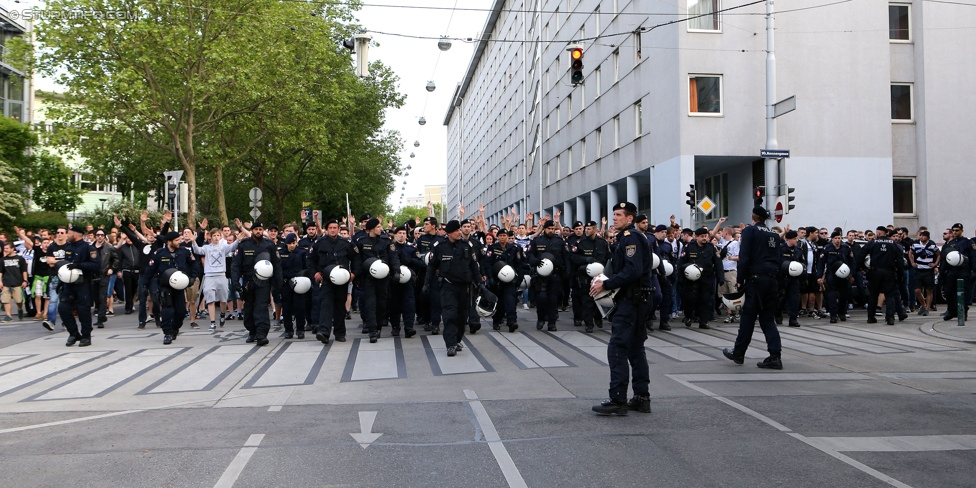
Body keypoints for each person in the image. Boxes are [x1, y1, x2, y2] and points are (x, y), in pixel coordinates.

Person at [590, 202, 652, 416]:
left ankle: (618, 399)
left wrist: (605, 284)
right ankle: (641, 397)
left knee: (617, 348)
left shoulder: (630, 238)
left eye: (619, 215)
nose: (614, 218)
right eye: (614, 214)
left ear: (630, 218)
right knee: (636, 349)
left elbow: (632, 270)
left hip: (631, 301)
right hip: (638, 300)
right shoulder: (633, 237)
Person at [722, 206, 784, 370]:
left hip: (755, 280)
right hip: (772, 280)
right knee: (767, 318)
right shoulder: (774, 235)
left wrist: (740, 279)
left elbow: (744, 257)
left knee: (748, 317)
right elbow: (778, 258)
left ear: (753, 217)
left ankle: (739, 352)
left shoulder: (750, 232)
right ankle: (775, 355)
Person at [424, 220, 480, 357]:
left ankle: (457, 340)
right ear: (449, 233)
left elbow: (474, 266)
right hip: (448, 286)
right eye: (456, 231)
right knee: (449, 315)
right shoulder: (440, 247)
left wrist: (479, 283)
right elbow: (432, 266)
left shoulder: (467, 246)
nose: (459, 232)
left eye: (459, 230)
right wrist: (427, 283)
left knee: (462, 317)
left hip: (464, 287)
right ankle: (450, 344)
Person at [232, 222, 283, 346]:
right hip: (248, 281)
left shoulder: (269, 245)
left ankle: (261, 334)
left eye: (260, 229)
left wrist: (278, 283)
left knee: (261, 307)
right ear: (252, 230)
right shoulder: (244, 245)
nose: (258, 231)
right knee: (249, 308)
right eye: (256, 229)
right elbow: (235, 265)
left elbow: (276, 265)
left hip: (264, 282)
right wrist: (235, 282)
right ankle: (252, 331)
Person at [192, 219, 245, 329]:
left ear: (220, 237)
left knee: (223, 299)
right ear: (211, 237)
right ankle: (212, 321)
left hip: (221, 275)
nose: (216, 237)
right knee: (210, 299)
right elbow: (197, 250)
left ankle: (222, 314)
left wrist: (238, 240)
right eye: (214, 235)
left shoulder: (223, 247)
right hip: (210, 276)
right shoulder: (207, 248)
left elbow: (232, 247)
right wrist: (193, 241)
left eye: (218, 235)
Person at [353, 218, 400, 343]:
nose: (381, 228)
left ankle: (378, 326)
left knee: (381, 304)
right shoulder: (362, 242)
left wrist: (396, 271)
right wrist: (356, 275)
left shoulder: (386, 241)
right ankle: (372, 330)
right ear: (372, 228)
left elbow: (393, 257)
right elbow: (357, 260)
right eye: (378, 226)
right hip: (368, 278)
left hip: (383, 278)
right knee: (370, 304)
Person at [145, 231, 196, 344]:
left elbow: (194, 264)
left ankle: (175, 328)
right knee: (168, 311)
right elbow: (150, 269)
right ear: (169, 242)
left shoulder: (184, 252)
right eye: (177, 240)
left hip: (179, 287)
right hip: (165, 287)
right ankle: (167, 333)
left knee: (181, 311)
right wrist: (145, 284)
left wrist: (191, 278)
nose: (179, 242)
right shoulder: (159, 253)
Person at [59, 226, 100, 347]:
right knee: (63, 308)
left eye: (69, 233)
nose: (67, 235)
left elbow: (96, 265)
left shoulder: (88, 248)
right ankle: (73, 333)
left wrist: (79, 265)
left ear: (76, 235)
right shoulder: (68, 247)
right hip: (69, 284)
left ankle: (86, 336)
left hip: (83, 284)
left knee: (83, 311)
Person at [858, 226, 906, 325]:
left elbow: (861, 254)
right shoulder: (893, 244)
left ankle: (871, 317)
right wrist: (900, 274)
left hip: (875, 272)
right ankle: (890, 318)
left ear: (879, 233)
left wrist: (862, 267)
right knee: (890, 295)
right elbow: (900, 260)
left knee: (873, 295)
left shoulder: (872, 243)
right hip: (889, 272)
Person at [569, 221, 610, 333]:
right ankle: (589, 324)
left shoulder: (602, 243)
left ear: (595, 230)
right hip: (585, 275)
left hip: (600, 276)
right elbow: (573, 257)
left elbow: (608, 257)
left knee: (599, 297)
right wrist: (585, 260)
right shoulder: (580, 243)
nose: (586, 231)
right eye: (585, 229)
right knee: (587, 300)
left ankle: (597, 317)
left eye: (589, 229)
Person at [528, 219, 569, 331]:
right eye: (549, 229)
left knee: (553, 300)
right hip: (541, 276)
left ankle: (552, 322)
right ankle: (541, 318)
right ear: (545, 229)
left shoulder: (560, 241)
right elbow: (530, 255)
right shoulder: (537, 241)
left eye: (552, 229)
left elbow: (566, 258)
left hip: (555, 275)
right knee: (541, 298)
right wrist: (535, 262)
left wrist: (566, 273)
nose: (551, 230)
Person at [678, 228, 721, 329]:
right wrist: (680, 276)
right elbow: (682, 262)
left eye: (705, 236)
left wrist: (721, 277)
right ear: (696, 237)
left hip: (706, 278)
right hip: (692, 279)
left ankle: (703, 321)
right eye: (702, 236)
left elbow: (718, 263)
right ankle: (688, 316)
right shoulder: (690, 247)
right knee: (690, 299)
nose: (704, 238)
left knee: (705, 300)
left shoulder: (711, 247)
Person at [486, 229, 525, 332]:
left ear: (508, 237)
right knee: (499, 303)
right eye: (501, 235)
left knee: (510, 301)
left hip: (510, 280)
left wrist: (519, 279)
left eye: (504, 235)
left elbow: (519, 264)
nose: (503, 237)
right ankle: (497, 321)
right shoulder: (492, 248)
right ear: (498, 237)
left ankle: (512, 321)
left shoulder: (514, 248)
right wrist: (490, 277)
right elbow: (488, 264)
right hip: (497, 280)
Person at [938, 223, 975, 322]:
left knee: (965, 292)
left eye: (957, 230)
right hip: (952, 271)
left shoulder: (968, 242)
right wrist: (941, 273)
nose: (955, 232)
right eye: (953, 230)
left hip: (964, 270)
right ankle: (952, 311)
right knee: (948, 291)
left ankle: (963, 311)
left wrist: (973, 270)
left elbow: (973, 257)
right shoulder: (950, 243)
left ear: (962, 231)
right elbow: (945, 259)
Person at [390, 226, 422, 338]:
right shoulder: (391, 248)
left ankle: (409, 327)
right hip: (394, 280)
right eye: (399, 233)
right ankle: (395, 327)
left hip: (408, 280)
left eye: (403, 233)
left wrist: (410, 260)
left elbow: (420, 263)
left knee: (409, 304)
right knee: (394, 304)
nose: (401, 235)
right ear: (395, 235)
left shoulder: (411, 248)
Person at [817, 231, 855, 323]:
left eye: (839, 238)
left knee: (844, 295)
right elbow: (821, 263)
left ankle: (842, 313)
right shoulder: (827, 248)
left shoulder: (846, 248)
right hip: (831, 275)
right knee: (831, 296)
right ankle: (833, 315)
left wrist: (851, 275)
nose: (838, 240)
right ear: (832, 239)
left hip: (844, 275)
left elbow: (852, 262)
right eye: (836, 238)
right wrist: (819, 276)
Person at [279, 233, 309, 339]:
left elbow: (306, 268)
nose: (291, 245)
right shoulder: (281, 253)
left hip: (298, 282)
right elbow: (279, 269)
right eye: (289, 243)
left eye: (293, 243)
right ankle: (288, 330)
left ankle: (300, 329)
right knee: (286, 308)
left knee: (300, 307)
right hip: (286, 283)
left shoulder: (301, 252)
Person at [776, 230, 804, 328]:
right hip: (782, 278)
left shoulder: (798, 250)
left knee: (794, 299)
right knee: (780, 298)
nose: (796, 240)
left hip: (794, 278)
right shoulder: (781, 249)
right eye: (794, 238)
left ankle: (793, 319)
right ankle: (778, 314)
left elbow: (802, 262)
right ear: (789, 239)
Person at [909, 230, 939, 316]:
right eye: (921, 235)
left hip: (928, 270)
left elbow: (938, 254)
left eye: (923, 236)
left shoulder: (932, 245)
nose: (921, 237)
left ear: (928, 237)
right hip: (919, 270)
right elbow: (911, 253)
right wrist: (912, 262)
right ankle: (923, 304)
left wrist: (935, 264)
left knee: (929, 290)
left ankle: (927, 308)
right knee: (917, 290)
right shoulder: (916, 244)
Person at [1, 242, 28, 322]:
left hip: (17, 282)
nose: (5, 250)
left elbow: (24, 271)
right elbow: (0, 272)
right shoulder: (2, 260)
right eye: (4, 248)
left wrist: (25, 280)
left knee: (19, 301)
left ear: (12, 249)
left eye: (7, 248)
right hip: (6, 282)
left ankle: (20, 309)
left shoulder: (20, 259)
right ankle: (8, 316)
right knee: (5, 300)